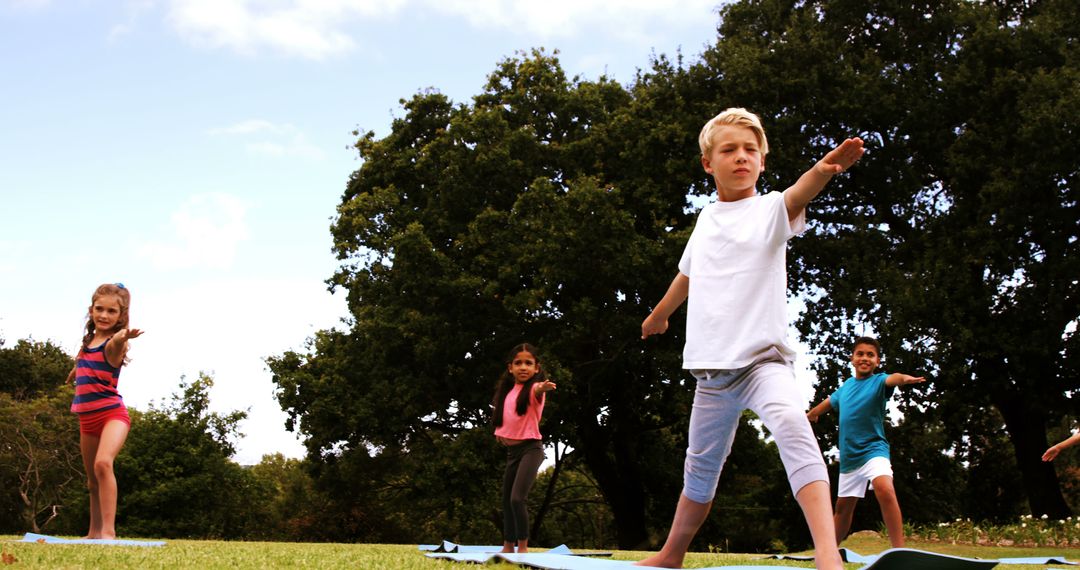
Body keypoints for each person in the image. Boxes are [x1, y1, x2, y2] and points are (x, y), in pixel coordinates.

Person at [638, 107, 864, 570]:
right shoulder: (705, 220)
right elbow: (688, 275)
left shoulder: (769, 209)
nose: (741, 157)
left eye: (750, 151)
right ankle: (670, 555)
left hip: (764, 362)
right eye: (729, 150)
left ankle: (827, 554)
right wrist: (659, 316)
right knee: (700, 466)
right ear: (708, 163)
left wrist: (821, 171)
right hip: (712, 372)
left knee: (791, 425)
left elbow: (797, 194)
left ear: (762, 160)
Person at [806, 336, 925, 548]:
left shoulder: (879, 382)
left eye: (871, 355)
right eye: (860, 354)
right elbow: (828, 403)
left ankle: (899, 549)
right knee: (842, 509)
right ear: (852, 359)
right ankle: (828, 552)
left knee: (884, 488)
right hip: (850, 457)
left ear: (877, 361)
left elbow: (893, 378)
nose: (865, 358)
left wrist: (905, 379)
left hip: (873, 450)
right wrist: (812, 414)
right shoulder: (846, 387)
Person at [66, 283, 143, 540]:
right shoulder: (89, 342)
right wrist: (75, 371)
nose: (104, 315)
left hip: (112, 415)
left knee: (103, 463)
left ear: (120, 316)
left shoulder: (113, 343)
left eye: (111, 311)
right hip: (87, 419)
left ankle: (108, 533)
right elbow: (85, 359)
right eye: (100, 309)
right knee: (91, 482)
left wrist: (124, 336)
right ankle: (93, 533)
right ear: (91, 310)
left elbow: (114, 347)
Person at [492, 342, 557, 554]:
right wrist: (501, 435)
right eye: (518, 363)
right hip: (513, 453)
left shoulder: (534, 390)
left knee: (517, 498)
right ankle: (508, 546)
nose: (523, 367)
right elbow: (507, 418)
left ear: (536, 368)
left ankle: (523, 547)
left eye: (528, 363)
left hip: (531, 449)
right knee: (506, 500)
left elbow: (537, 389)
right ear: (510, 367)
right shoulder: (508, 392)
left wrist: (542, 387)